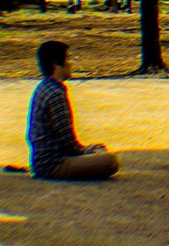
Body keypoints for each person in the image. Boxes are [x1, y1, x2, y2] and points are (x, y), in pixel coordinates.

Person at [28, 40, 119, 181]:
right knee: (110, 161)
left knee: (99, 150)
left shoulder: (44, 87)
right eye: (67, 59)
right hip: (54, 164)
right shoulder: (56, 94)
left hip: (42, 161)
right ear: (57, 64)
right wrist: (88, 151)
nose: (70, 63)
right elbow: (69, 143)